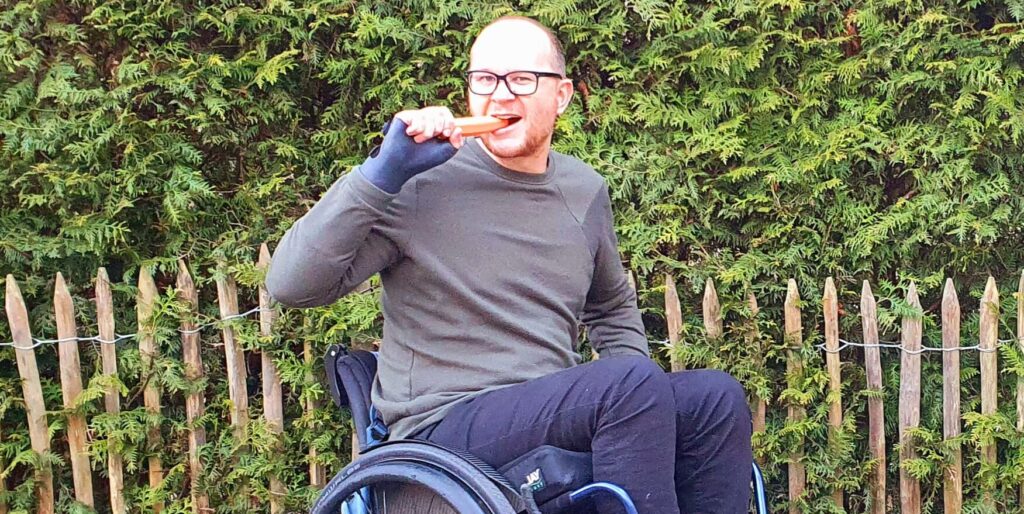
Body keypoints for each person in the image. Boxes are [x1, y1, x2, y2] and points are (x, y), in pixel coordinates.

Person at [267, 15, 752, 513]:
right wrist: (380, 174)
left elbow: (609, 307)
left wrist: (646, 416)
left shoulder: (583, 191)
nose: (500, 96)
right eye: (485, 80)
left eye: (522, 80)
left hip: (545, 413)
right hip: (440, 433)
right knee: (630, 387)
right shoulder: (418, 182)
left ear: (561, 95)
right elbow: (290, 284)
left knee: (713, 398)